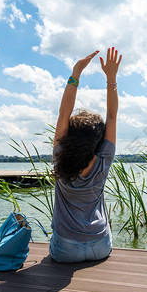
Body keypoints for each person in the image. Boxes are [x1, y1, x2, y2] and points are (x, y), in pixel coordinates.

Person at [49, 47, 122, 263]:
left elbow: (64, 112)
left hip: (65, 249)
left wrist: (76, 74)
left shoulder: (60, 156)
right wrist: (111, 78)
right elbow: (112, 116)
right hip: (100, 245)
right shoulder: (104, 158)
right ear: (99, 140)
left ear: (70, 136)